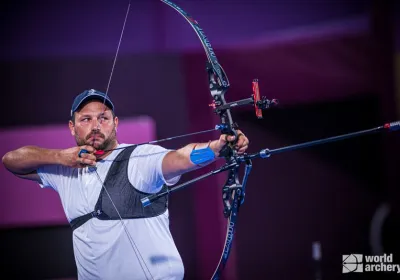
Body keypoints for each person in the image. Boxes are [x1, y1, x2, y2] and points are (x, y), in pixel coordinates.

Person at [2, 89, 250, 280]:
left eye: (103, 118)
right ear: (72, 126)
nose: (96, 125)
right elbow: (11, 160)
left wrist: (216, 149)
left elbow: (179, 158)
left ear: (116, 123)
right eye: (86, 119)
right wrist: (60, 157)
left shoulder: (139, 159)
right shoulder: (64, 170)